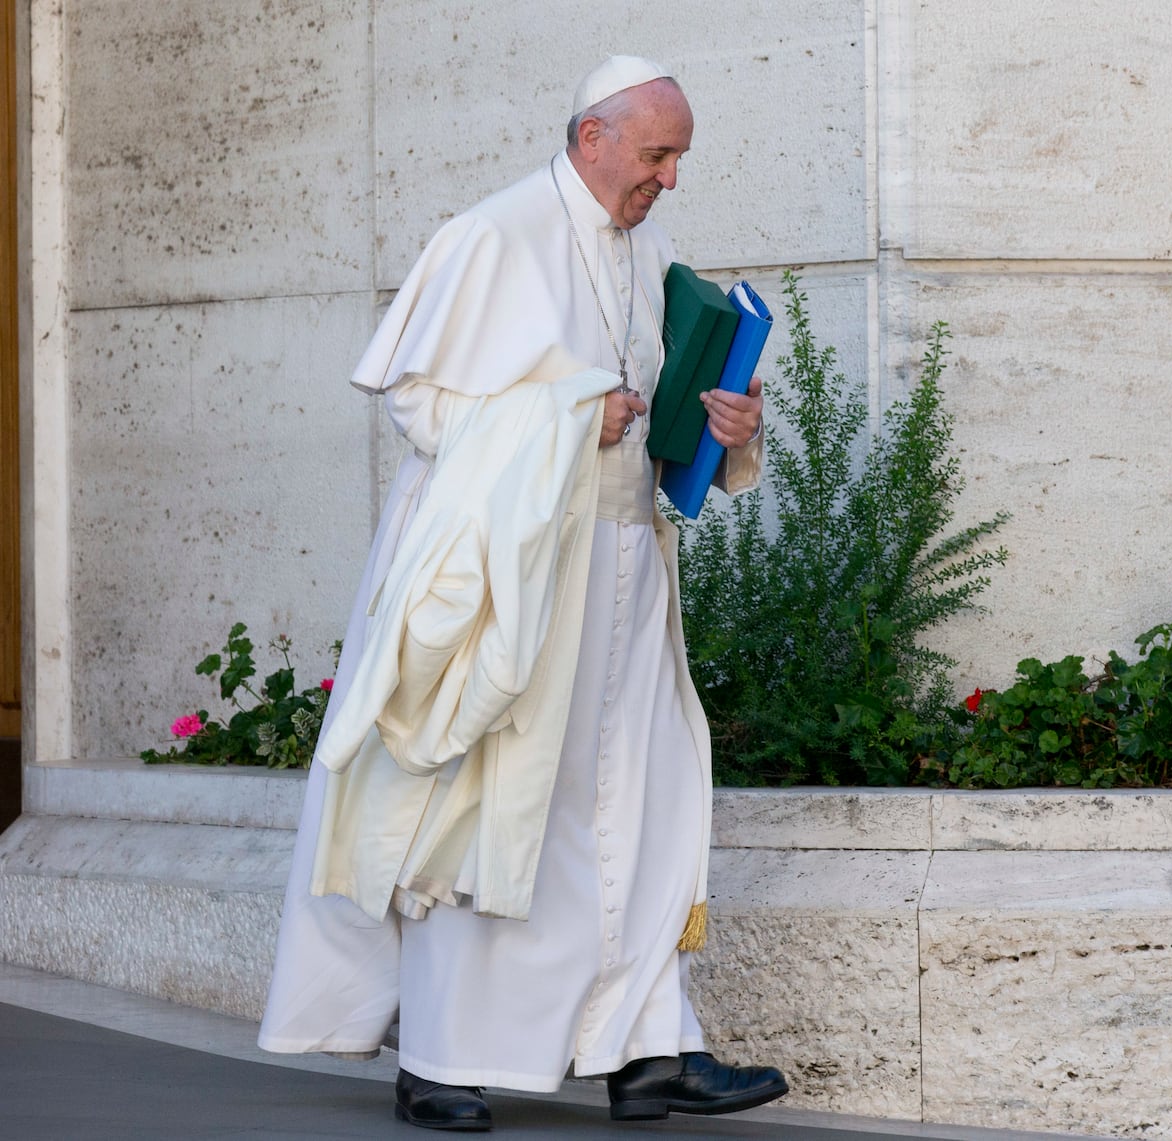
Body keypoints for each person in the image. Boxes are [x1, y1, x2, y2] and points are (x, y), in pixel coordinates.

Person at [256, 55, 787, 1132]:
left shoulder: (654, 247)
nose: (669, 180)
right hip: (511, 573)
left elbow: (665, 400)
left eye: (677, 157)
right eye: (655, 154)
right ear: (592, 136)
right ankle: (442, 1059)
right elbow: (419, 406)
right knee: (488, 802)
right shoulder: (491, 236)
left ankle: (647, 1051)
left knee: (639, 797)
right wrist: (562, 421)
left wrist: (731, 424)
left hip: (631, 565)